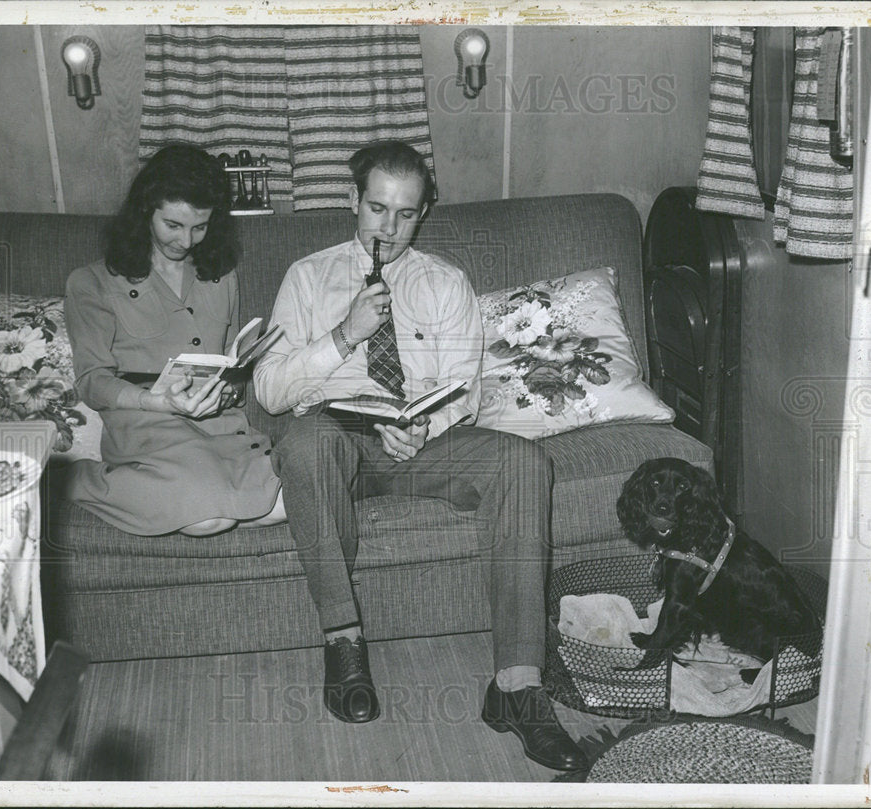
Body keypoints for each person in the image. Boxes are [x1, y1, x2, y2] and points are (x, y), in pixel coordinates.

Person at [254, 141, 586, 771]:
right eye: (376, 208)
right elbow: (270, 392)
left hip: (418, 440)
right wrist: (344, 334)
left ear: (423, 212)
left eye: (405, 214)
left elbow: (463, 387)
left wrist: (424, 427)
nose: (388, 227)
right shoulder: (308, 275)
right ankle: (345, 646)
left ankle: (516, 687)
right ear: (353, 201)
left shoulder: (444, 282)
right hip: (335, 440)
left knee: (524, 461)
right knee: (306, 442)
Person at [64, 144, 283, 536]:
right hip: (146, 423)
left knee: (284, 503)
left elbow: (232, 362)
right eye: (173, 225)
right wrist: (157, 401)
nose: (186, 241)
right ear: (144, 211)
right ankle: (76, 479)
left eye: (200, 227)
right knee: (210, 519)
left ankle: (210, 487)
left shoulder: (221, 275)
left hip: (218, 424)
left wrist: (230, 390)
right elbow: (92, 381)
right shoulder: (91, 282)